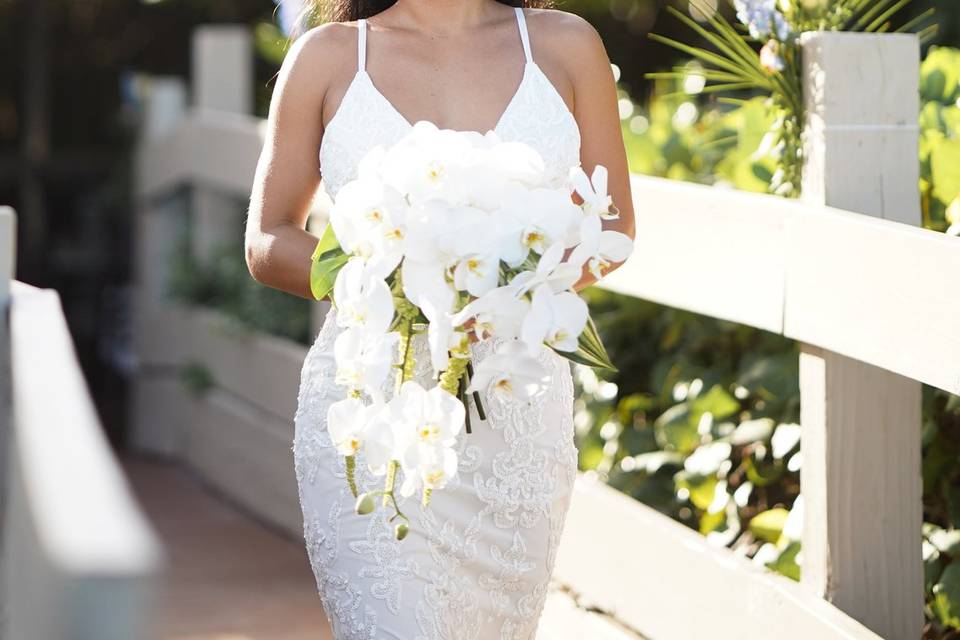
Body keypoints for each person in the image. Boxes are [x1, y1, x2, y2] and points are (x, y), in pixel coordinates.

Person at [244, 0, 635, 637]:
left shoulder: (567, 46)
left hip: (518, 421)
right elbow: (267, 241)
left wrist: (506, 288)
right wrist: (401, 281)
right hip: (375, 417)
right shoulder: (328, 55)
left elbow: (612, 225)